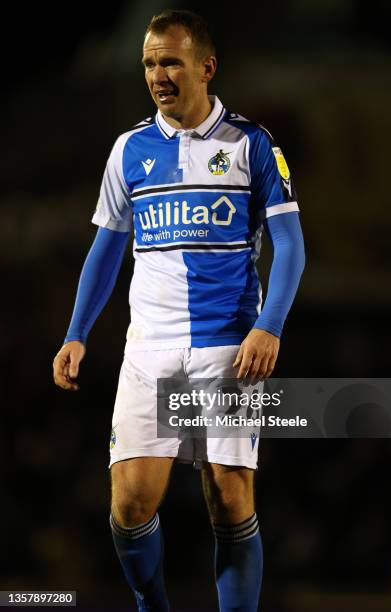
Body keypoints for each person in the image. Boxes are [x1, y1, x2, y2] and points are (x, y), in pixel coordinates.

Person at [53, 9, 305, 612]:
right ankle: (153, 606)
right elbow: (106, 249)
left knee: (230, 497)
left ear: (205, 67)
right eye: (149, 63)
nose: (158, 74)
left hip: (229, 345)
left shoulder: (252, 145)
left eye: (170, 61)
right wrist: (76, 332)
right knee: (131, 504)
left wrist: (269, 326)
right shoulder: (129, 150)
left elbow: (292, 244)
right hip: (149, 348)